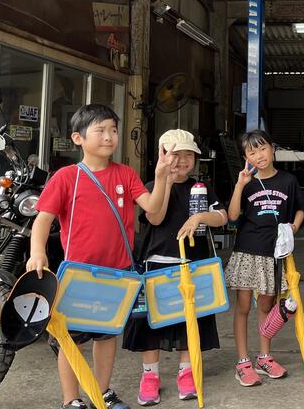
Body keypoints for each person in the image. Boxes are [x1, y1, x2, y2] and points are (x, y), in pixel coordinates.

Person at [26, 104, 178, 409]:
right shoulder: (66, 177)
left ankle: (102, 393)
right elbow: (43, 219)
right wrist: (37, 253)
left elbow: (153, 210)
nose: (109, 137)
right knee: (71, 340)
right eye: (101, 130)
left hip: (117, 274)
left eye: (113, 130)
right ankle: (71, 400)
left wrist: (161, 177)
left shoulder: (126, 174)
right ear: (78, 138)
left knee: (107, 337)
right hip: (79, 275)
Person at [123, 129, 228, 406]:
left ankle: (186, 372)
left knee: (190, 321)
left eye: (187, 155)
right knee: (151, 324)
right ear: (162, 156)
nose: (181, 161)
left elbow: (222, 216)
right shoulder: (151, 185)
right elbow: (155, 218)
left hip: (193, 266)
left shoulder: (201, 187)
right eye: (174, 154)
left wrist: (200, 217)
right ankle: (150, 376)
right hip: (157, 265)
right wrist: (165, 181)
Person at [225, 129, 304, 387]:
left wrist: (294, 227)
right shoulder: (247, 182)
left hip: (273, 254)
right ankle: (242, 361)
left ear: (272, 149)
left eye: (262, 149)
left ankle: (264, 357)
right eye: (252, 152)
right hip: (247, 251)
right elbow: (232, 216)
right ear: (246, 157)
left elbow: (301, 208)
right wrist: (240, 185)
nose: (259, 155)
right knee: (243, 307)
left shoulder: (288, 180)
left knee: (266, 307)